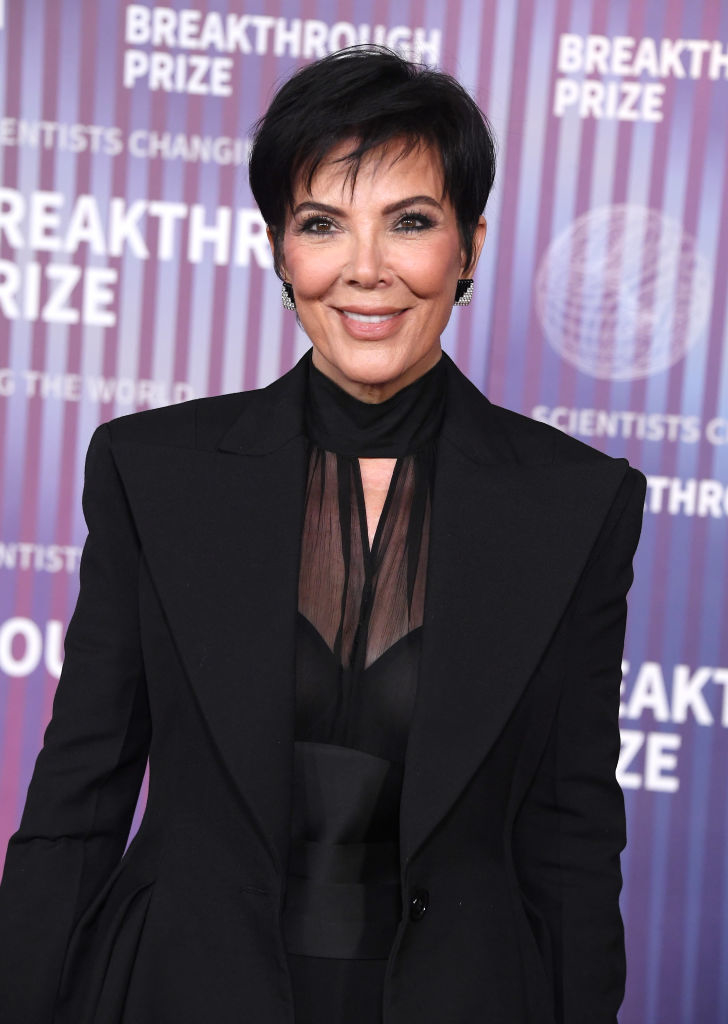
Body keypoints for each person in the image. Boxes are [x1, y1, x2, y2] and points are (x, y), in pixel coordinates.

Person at [0, 47, 645, 1024]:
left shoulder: (575, 503)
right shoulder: (152, 471)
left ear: (467, 246)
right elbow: (77, 798)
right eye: (322, 224)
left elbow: (570, 839)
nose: (365, 269)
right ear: (277, 249)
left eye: (410, 222)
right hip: (175, 989)